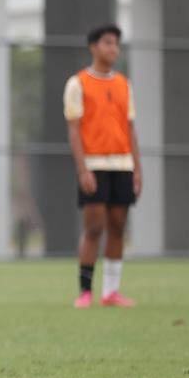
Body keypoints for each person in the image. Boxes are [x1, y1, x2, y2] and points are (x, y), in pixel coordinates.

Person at [65, 24, 141, 308]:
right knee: (94, 226)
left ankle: (111, 291)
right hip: (95, 163)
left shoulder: (124, 84)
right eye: (108, 43)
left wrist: (137, 168)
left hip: (122, 163)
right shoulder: (78, 83)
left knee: (118, 226)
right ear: (93, 47)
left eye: (117, 44)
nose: (113, 49)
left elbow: (130, 129)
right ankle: (85, 291)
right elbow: (74, 130)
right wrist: (83, 169)